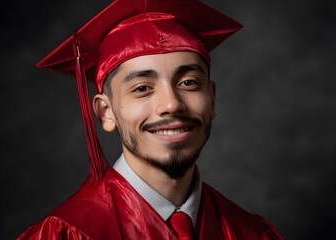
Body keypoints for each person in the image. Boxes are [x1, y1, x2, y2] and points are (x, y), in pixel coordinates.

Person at [18, 0, 284, 239]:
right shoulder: (67, 234)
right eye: (142, 88)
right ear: (106, 112)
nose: (171, 104)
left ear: (212, 99)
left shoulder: (249, 233)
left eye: (188, 82)